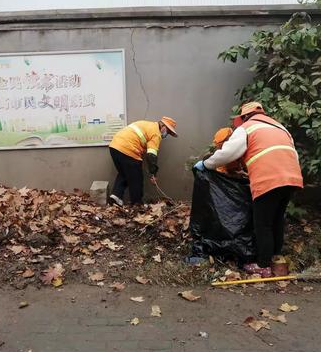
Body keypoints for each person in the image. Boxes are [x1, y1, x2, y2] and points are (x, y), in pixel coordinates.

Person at [195, 102, 303, 277]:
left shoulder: (247, 127)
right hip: (292, 178)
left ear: (244, 116)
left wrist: (207, 164)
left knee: (263, 224)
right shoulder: (281, 128)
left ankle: (263, 265)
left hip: (269, 179)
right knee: (277, 220)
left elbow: (228, 153)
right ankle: (276, 259)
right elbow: (291, 154)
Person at [109, 117, 178, 205]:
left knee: (125, 174)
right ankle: (137, 204)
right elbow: (151, 155)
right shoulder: (156, 133)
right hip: (128, 149)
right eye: (168, 132)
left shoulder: (147, 124)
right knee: (136, 178)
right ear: (163, 126)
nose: (166, 134)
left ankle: (116, 196)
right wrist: (153, 173)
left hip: (114, 146)